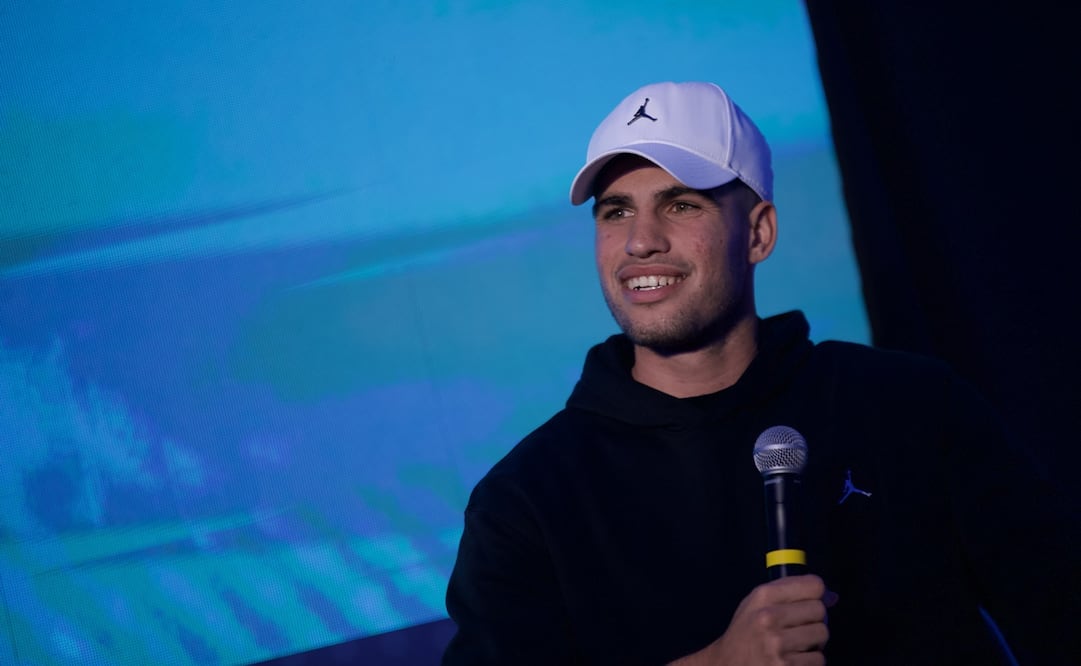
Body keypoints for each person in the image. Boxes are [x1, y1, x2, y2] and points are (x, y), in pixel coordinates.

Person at [441, 81, 1076, 665]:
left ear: (759, 233)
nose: (641, 242)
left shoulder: (910, 404)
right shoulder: (525, 500)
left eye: (681, 205)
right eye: (615, 213)